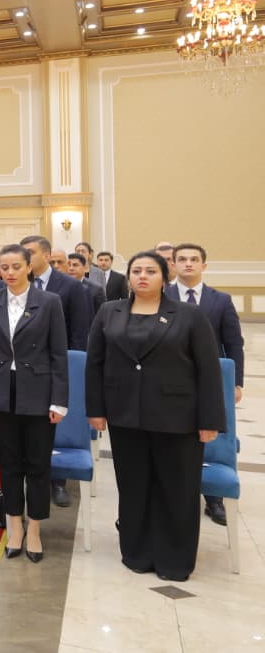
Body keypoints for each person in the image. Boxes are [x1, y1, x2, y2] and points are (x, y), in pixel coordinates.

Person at [86, 251, 225, 582]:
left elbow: (208, 369)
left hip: (177, 418)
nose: (142, 276)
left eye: (151, 271)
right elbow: (95, 363)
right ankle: (137, 552)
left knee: (177, 489)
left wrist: (210, 420)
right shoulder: (109, 312)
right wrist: (96, 410)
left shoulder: (188, 315)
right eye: (136, 271)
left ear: (165, 277)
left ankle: (175, 560)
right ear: (128, 277)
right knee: (134, 486)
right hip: (125, 416)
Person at [0, 244, 68, 563]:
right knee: (9, 462)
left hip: (39, 392)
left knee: (38, 464)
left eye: (16, 266)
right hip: (1, 390)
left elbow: (59, 355)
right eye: (4, 267)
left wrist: (59, 400)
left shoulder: (49, 301)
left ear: (29, 267)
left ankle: (35, 528)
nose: (10, 272)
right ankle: (14, 525)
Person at [167, 242, 244, 526]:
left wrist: (236, 382)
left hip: (209, 380)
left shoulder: (220, 300)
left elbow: (233, 343)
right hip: (169, 381)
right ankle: (173, 493)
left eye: (194, 259)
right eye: (182, 259)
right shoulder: (160, 296)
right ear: (173, 264)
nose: (188, 263)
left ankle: (213, 499)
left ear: (203, 265)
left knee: (211, 434)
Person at [21, 234, 92, 508]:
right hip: (25, 369)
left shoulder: (70, 286)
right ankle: (30, 475)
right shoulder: (18, 284)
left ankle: (58, 481)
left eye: (30, 252)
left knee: (56, 423)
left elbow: (79, 332)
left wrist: (70, 368)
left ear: (47, 255)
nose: (25, 257)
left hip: (57, 366)